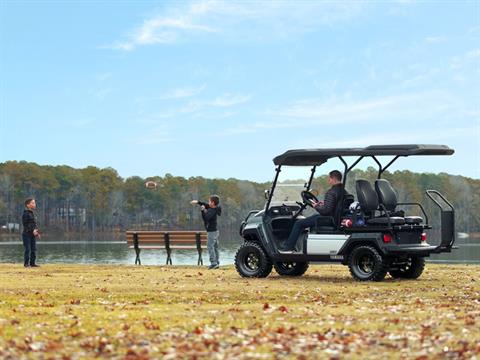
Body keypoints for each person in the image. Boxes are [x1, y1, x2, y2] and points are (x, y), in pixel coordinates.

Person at [283, 170, 345, 252]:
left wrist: (315, 206)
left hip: (329, 219)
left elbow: (325, 211)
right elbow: (335, 205)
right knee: (309, 220)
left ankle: (288, 247)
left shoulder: (331, 192)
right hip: (337, 218)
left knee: (298, 223)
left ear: (333, 179)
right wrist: (324, 203)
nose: (328, 180)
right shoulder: (343, 191)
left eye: (329, 179)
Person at [191, 195, 222, 269]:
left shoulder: (212, 210)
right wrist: (198, 202)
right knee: (215, 247)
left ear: (213, 202)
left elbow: (206, 218)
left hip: (211, 231)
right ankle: (216, 262)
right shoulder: (215, 208)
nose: (208, 203)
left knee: (210, 246)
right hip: (215, 231)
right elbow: (206, 205)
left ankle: (213, 263)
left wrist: (202, 211)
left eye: (209, 201)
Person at [22, 198, 41, 267]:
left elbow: (33, 224)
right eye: (32, 203)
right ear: (28, 205)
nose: (34, 204)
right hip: (26, 234)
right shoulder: (25, 214)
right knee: (27, 249)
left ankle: (32, 263)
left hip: (32, 234)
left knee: (34, 249)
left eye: (34, 203)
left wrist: (36, 232)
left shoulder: (32, 213)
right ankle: (26, 264)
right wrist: (32, 230)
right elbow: (25, 225)